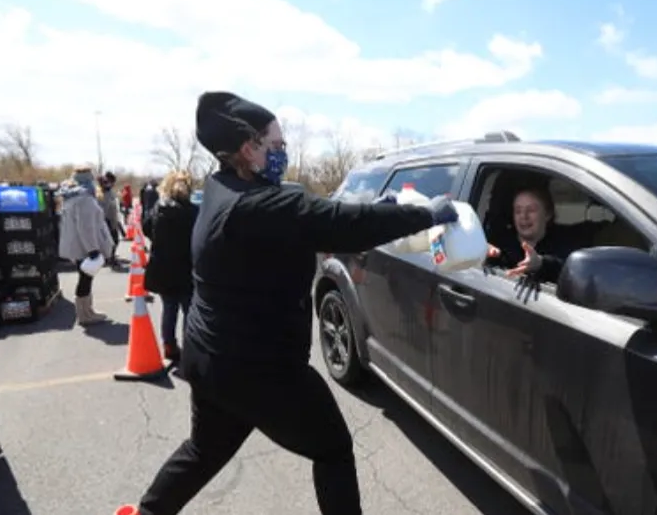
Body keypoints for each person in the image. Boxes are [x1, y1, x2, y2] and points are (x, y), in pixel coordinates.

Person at [122, 92, 458, 515]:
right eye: (277, 145)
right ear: (250, 148)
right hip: (260, 368)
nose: (283, 153)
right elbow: (343, 224)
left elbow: (324, 216)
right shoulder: (262, 205)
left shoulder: (220, 188)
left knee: (204, 450)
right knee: (333, 448)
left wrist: (377, 209)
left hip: (210, 357)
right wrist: (427, 214)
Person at [486, 186, 604, 283]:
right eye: (518, 211)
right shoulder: (500, 241)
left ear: (548, 214)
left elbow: (570, 271)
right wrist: (492, 256)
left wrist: (540, 264)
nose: (524, 216)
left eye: (531, 210)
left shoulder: (564, 242)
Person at [142, 170, 198, 364]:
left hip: (163, 267)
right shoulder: (193, 212)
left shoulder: (158, 208)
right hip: (186, 268)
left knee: (169, 309)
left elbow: (146, 228)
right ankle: (189, 348)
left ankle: (169, 346)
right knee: (189, 311)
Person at [57, 167, 115, 325]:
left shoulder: (70, 196)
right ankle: (85, 314)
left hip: (76, 245)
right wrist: (93, 250)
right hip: (84, 248)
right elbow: (86, 227)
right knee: (85, 280)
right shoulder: (84, 198)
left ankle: (87, 311)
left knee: (84, 279)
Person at [97, 173, 124, 266]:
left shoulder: (110, 192)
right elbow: (103, 209)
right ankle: (110, 258)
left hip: (112, 220)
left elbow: (114, 208)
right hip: (106, 220)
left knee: (114, 240)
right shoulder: (102, 193)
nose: (111, 184)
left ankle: (110, 257)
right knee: (112, 241)